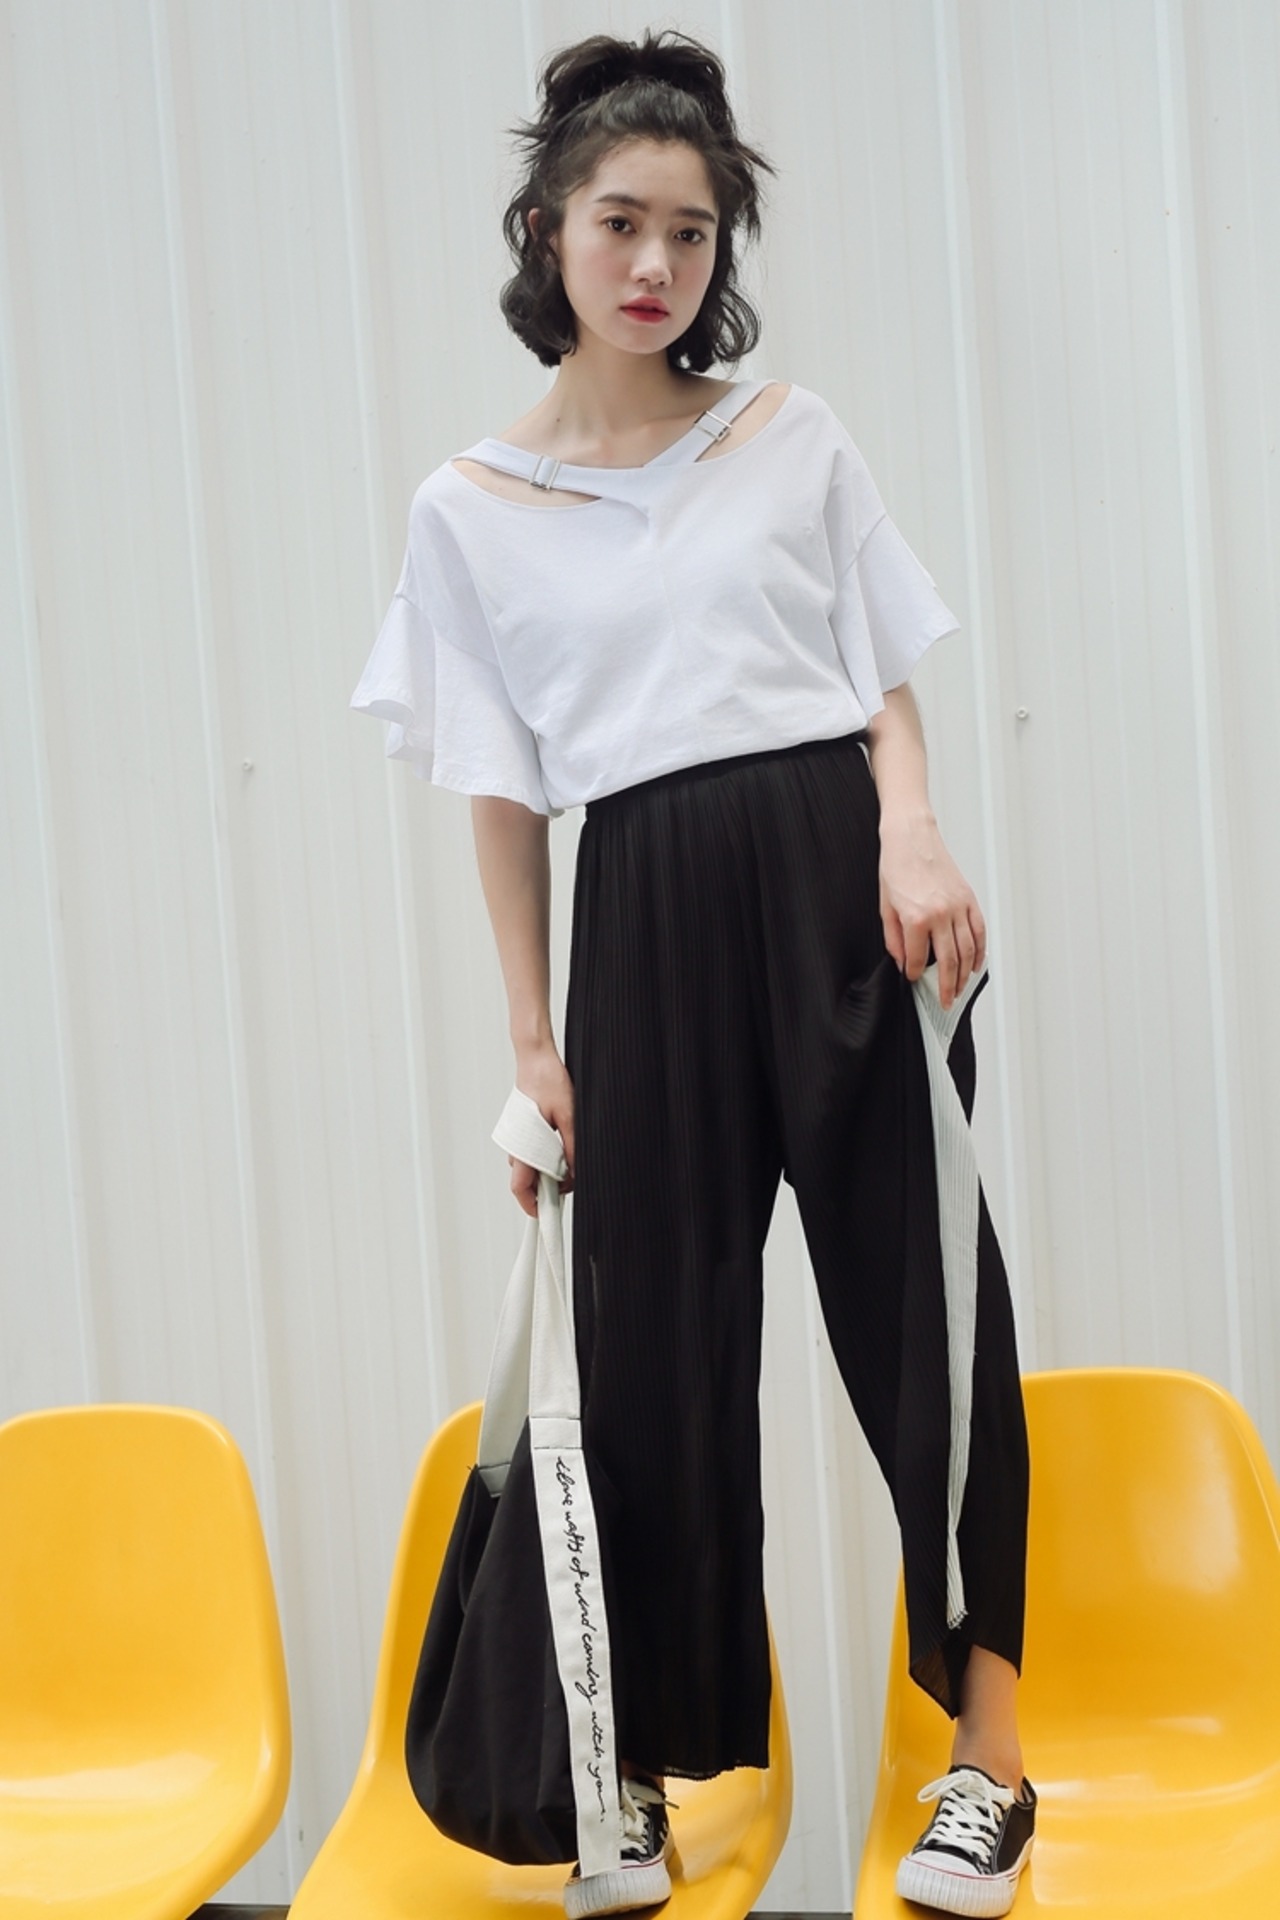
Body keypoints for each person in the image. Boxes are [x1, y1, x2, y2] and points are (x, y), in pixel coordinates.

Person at [351, 26, 1034, 1920]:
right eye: (621, 223)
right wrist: (532, 1043)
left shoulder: (788, 435)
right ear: (548, 232)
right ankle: (626, 1777)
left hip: (841, 890)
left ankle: (988, 1769)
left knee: (930, 1316)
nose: (657, 263)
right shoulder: (469, 506)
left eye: (692, 231)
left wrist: (913, 830)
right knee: (643, 1359)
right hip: (636, 920)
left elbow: (878, 675)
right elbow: (502, 796)